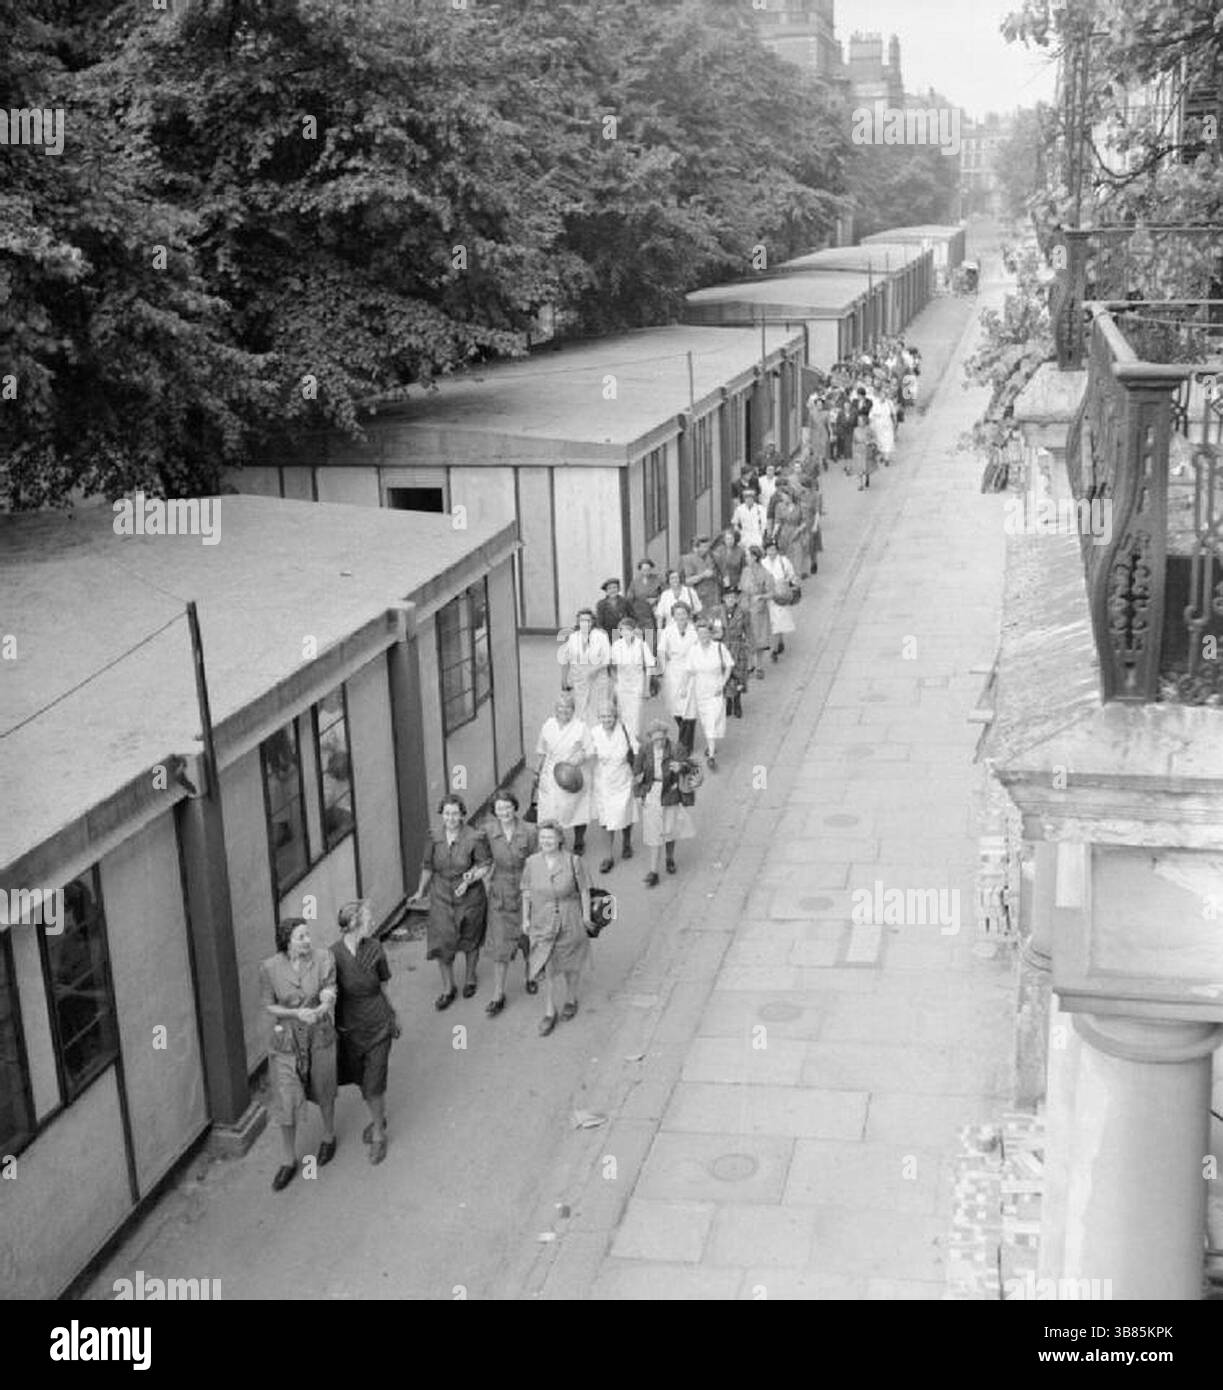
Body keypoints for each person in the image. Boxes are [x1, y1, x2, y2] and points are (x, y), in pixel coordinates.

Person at [260, 916, 339, 1191]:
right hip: (286, 1039)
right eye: (301, 936)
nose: (307, 940)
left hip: (319, 1031)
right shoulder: (270, 968)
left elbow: (330, 986)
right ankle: (288, 1159)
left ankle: (328, 1137)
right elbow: (269, 1006)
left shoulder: (323, 957)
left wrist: (326, 1000)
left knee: (324, 1086)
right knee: (287, 1097)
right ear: (287, 942)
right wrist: (295, 1013)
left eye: (308, 935)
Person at [332, 900, 399, 1166]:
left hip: (379, 1022)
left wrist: (393, 1015)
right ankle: (377, 1114)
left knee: (374, 1079)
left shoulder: (375, 948)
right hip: (351, 1027)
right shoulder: (333, 956)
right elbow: (330, 993)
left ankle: (379, 1136)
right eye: (368, 919)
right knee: (362, 1078)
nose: (372, 922)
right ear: (354, 925)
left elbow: (383, 985)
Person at [410, 795, 490, 1008]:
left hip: (470, 895)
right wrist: (420, 892)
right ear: (441, 815)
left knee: (470, 937)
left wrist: (471, 878)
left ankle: (470, 977)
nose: (451, 818)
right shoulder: (433, 836)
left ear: (462, 813)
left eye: (455, 813)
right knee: (442, 940)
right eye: (447, 813)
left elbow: (484, 865)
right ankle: (448, 988)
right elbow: (427, 866)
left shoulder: (475, 837)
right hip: (441, 894)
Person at [521, 820, 593, 1036]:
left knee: (571, 963)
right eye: (542, 838)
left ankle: (571, 998)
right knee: (548, 967)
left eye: (550, 838)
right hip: (542, 920)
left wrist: (586, 918)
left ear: (560, 839)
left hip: (569, 918)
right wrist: (525, 919)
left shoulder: (574, 861)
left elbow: (585, 891)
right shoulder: (532, 862)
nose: (546, 842)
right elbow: (526, 891)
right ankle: (549, 1011)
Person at [481, 789, 538, 1017]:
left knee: (528, 939)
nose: (504, 812)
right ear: (494, 812)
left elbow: (536, 862)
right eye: (499, 809)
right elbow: (484, 861)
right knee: (500, 944)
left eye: (507, 807)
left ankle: (530, 975)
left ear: (515, 807)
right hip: (501, 891)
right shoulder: (488, 831)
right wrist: (474, 876)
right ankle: (497, 994)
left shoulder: (530, 831)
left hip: (526, 889)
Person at [631, 719, 697, 887]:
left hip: (670, 792)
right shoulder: (645, 750)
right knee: (654, 832)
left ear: (666, 736)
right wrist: (639, 795)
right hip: (652, 791)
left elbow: (693, 767)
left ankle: (669, 858)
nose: (659, 742)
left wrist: (681, 767)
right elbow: (637, 772)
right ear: (650, 739)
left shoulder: (676, 748)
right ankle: (653, 872)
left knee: (669, 829)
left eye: (661, 738)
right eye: (655, 739)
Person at [533, 691, 595, 855]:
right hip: (551, 771)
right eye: (560, 707)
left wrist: (579, 758)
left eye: (568, 707)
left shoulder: (581, 727)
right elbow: (541, 750)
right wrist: (537, 772)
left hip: (574, 773)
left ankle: (579, 840)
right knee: (549, 809)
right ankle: (554, 841)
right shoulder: (548, 725)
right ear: (555, 709)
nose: (564, 710)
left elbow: (590, 750)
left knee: (578, 810)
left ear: (573, 709)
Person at [590, 707, 639, 871]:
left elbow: (636, 749)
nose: (606, 720)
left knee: (625, 812)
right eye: (603, 716)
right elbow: (588, 752)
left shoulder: (625, 729)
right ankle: (607, 856)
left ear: (615, 716)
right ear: (598, 717)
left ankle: (626, 843)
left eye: (609, 716)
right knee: (605, 819)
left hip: (622, 778)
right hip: (603, 781)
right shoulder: (594, 732)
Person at [681, 617, 733, 770]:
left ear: (710, 634)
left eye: (706, 633)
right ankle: (711, 747)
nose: (703, 637)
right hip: (701, 689)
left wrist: (723, 683)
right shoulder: (693, 650)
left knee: (714, 718)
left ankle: (711, 754)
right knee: (706, 720)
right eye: (700, 634)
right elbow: (688, 670)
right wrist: (684, 687)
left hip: (716, 688)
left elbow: (729, 665)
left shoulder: (719, 647)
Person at [656, 599, 698, 754]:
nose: (681, 616)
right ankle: (683, 731)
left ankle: (685, 744)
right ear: (673, 616)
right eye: (677, 613)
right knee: (676, 707)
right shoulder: (668, 630)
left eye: (684, 613)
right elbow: (661, 650)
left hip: (690, 670)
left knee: (690, 706)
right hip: (673, 670)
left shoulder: (694, 630)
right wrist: (663, 666)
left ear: (688, 615)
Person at [557, 608, 611, 725]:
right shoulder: (573, 637)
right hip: (580, 680)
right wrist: (564, 680)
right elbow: (566, 659)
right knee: (580, 711)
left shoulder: (601, 636)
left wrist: (593, 670)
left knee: (597, 711)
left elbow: (607, 659)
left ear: (592, 622)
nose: (585, 623)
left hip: (598, 680)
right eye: (582, 620)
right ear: (578, 622)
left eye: (588, 620)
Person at [609, 614, 655, 741]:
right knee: (622, 713)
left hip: (637, 684)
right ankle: (624, 740)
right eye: (622, 630)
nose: (625, 633)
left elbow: (649, 667)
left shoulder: (642, 645)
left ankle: (634, 740)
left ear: (634, 630)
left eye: (628, 630)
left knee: (635, 713)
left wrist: (646, 688)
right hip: (622, 684)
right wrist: (615, 683)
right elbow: (611, 666)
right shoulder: (616, 645)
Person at [715, 588, 751, 718]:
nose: (730, 600)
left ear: (736, 599)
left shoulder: (743, 612)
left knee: (738, 675)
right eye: (728, 597)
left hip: (738, 645)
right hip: (723, 645)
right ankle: (728, 702)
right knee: (725, 674)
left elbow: (748, 629)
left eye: (733, 597)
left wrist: (749, 646)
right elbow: (714, 629)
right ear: (724, 599)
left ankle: (737, 702)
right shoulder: (718, 611)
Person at [738, 545, 772, 679]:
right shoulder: (745, 571)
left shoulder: (765, 573)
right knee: (747, 636)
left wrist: (761, 597)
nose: (746, 558)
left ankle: (759, 666)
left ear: (754, 557)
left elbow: (771, 593)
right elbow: (742, 588)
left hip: (758, 609)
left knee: (759, 637)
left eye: (748, 556)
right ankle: (749, 664)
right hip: (745, 606)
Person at [762, 538, 797, 662]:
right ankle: (778, 641)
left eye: (773, 549)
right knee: (772, 622)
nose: (772, 552)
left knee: (778, 621)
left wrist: (785, 581)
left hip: (781, 595)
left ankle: (774, 650)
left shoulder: (783, 561)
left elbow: (791, 575)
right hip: (769, 596)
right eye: (769, 549)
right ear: (765, 550)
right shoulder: (763, 563)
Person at [626, 558, 663, 656]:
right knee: (639, 641)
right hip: (639, 614)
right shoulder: (635, 582)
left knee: (652, 641)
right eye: (644, 569)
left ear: (651, 569)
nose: (646, 571)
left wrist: (656, 599)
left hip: (653, 613)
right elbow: (629, 598)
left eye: (648, 569)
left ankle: (653, 661)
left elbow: (665, 595)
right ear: (640, 570)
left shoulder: (657, 580)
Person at [680, 536, 721, 615]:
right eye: (704, 547)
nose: (707, 549)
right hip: (698, 597)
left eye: (708, 546)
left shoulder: (713, 557)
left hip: (714, 597)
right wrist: (703, 575)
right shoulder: (687, 559)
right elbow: (687, 581)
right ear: (696, 547)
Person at [731, 486, 767, 553]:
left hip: (757, 535)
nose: (748, 500)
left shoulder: (760, 509)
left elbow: (764, 523)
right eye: (746, 498)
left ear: (754, 498)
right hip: (744, 534)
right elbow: (735, 522)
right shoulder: (739, 509)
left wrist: (761, 533)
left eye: (750, 498)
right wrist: (738, 531)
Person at [712, 526, 745, 595]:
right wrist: (721, 578)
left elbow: (744, 568)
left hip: (736, 582)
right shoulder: (718, 550)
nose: (729, 541)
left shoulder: (740, 551)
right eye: (727, 539)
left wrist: (741, 582)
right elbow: (715, 567)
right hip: (721, 582)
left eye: (731, 538)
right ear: (724, 540)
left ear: (735, 539)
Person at [852, 412, 874, 491]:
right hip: (859, 451)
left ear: (865, 421)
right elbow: (854, 441)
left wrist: (870, 441)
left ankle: (867, 477)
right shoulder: (855, 430)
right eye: (858, 421)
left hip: (867, 450)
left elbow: (874, 438)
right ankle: (860, 484)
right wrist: (854, 451)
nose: (859, 422)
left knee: (866, 467)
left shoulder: (869, 429)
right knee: (859, 468)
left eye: (861, 421)